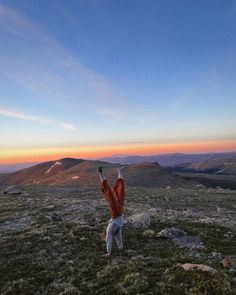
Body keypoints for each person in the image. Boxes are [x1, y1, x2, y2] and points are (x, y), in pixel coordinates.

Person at [97, 165, 127, 256]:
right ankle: (119, 172)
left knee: (111, 193)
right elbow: (118, 237)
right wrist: (120, 248)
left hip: (117, 212)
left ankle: (102, 173)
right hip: (118, 212)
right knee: (117, 192)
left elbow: (109, 239)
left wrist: (109, 252)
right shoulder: (114, 229)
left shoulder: (109, 230)